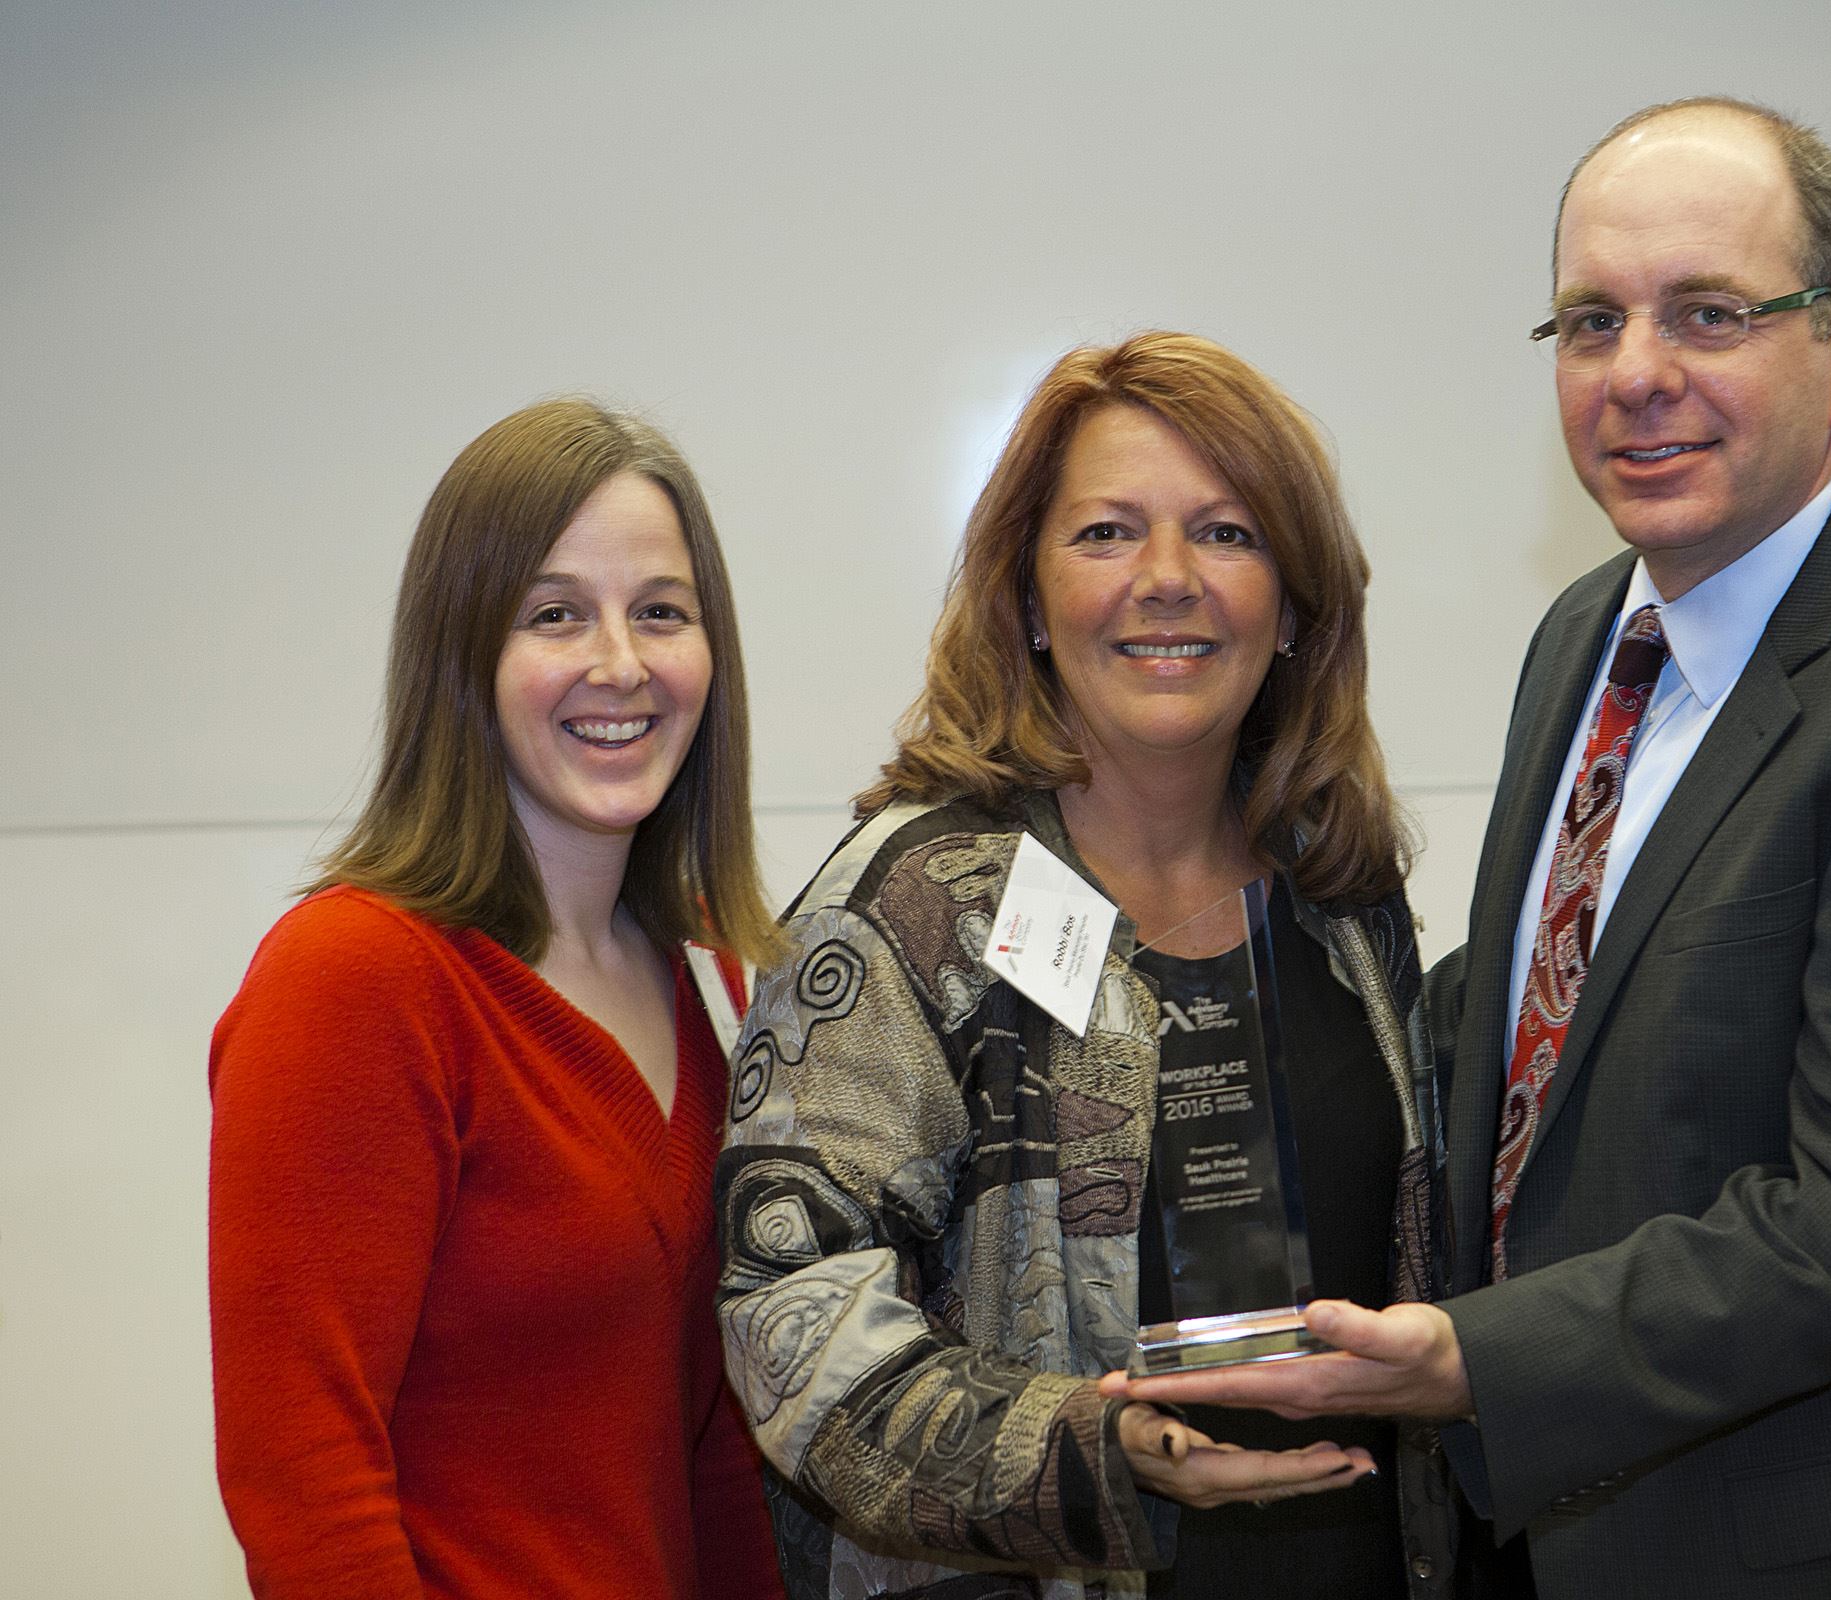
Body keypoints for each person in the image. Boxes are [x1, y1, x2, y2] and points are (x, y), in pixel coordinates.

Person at [1107, 100, 1831, 1597]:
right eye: (1589, 321)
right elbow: (1543, 1038)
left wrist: (1465, 1356)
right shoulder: (1591, 640)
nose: (1637, 375)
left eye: (1708, 313)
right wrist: (1201, 1030)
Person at [716, 332, 1451, 1600]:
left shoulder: (1345, 899)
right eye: (1107, 533)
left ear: (1295, 607)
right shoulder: (914, 901)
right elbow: (788, 1306)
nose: (1167, 580)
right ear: (1026, 599)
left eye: (1226, 533)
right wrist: (1103, 1451)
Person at [208, 399, 786, 1599]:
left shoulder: (713, 980)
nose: (620, 663)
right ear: (462, 652)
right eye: (555, 612)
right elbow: (302, 1481)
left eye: (661, 611)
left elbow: (715, 1451)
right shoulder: (357, 978)